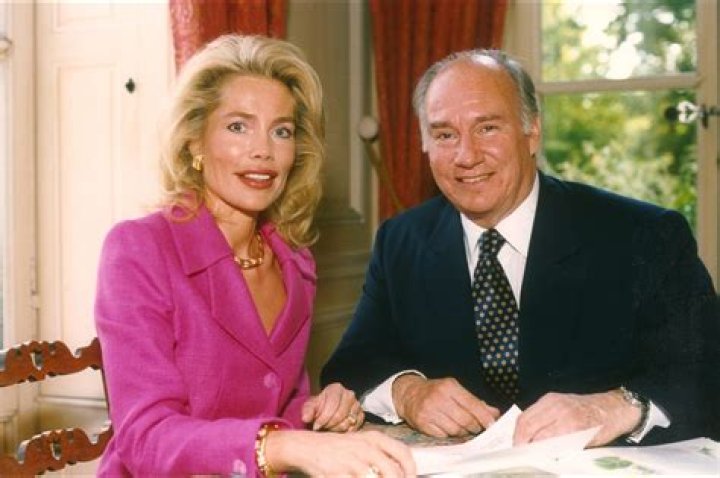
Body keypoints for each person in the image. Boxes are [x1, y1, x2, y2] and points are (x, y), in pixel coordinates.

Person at [321, 48, 719, 447]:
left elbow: (706, 371)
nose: (466, 156)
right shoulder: (400, 241)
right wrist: (407, 392)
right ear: (424, 145)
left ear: (532, 132)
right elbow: (350, 368)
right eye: (445, 135)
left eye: (487, 128)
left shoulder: (642, 235)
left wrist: (616, 407)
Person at [94, 34, 415, 477]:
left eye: (281, 131)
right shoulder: (138, 250)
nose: (263, 150)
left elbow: (277, 404)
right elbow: (146, 437)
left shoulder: (294, 261)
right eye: (238, 126)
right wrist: (285, 445)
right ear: (194, 141)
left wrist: (320, 410)